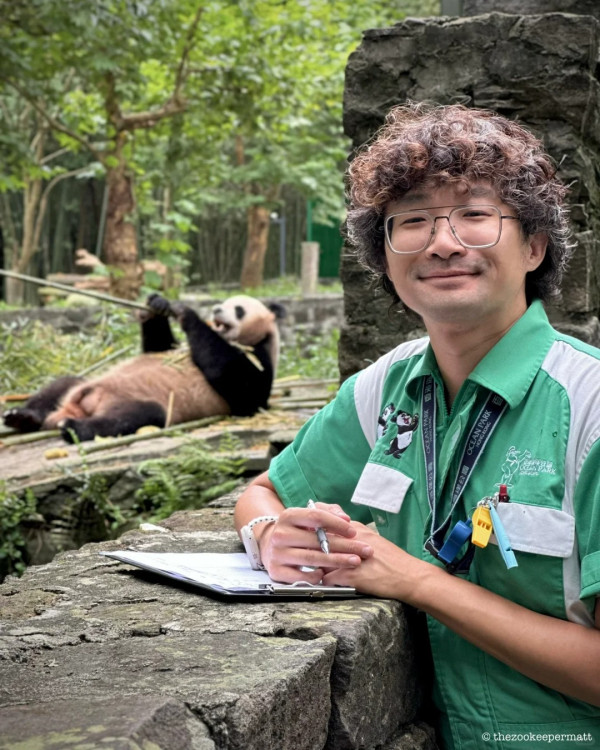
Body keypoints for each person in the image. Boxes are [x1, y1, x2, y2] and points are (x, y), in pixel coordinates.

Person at [234, 102, 600, 748]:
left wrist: (416, 579)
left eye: (475, 216)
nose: (442, 241)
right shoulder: (385, 390)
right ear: (386, 256)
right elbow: (264, 491)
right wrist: (269, 536)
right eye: (413, 221)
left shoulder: (589, 407)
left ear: (535, 246)